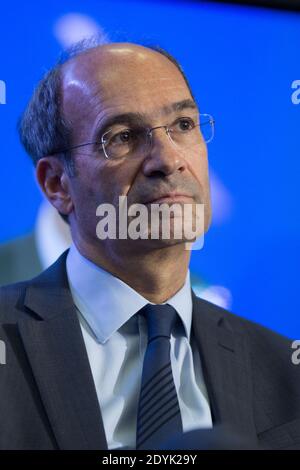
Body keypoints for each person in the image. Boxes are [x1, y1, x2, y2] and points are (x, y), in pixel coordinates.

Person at [0, 37, 299, 450]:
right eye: (122, 136)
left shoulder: (285, 371)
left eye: (183, 125)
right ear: (57, 184)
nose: (169, 159)